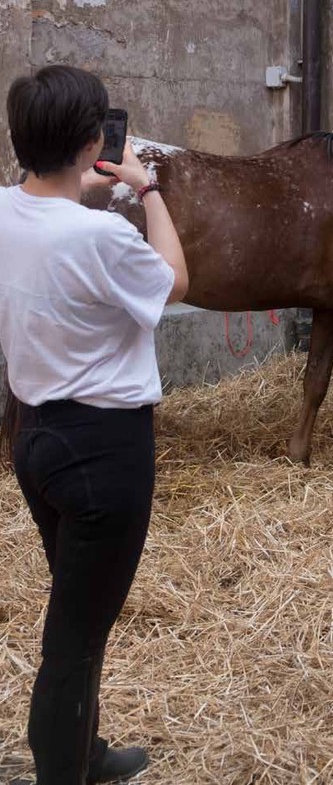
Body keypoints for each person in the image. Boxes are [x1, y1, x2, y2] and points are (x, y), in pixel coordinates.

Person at [0, 65, 189, 785]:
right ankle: (64, 773)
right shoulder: (102, 237)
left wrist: (87, 188)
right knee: (73, 641)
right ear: (90, 141)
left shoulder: (7, 211)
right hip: (103, 452)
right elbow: (175, 280)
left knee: (79, 612)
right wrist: (147, 188)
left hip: (37, 439)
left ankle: (86, 751)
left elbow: (44, 216)